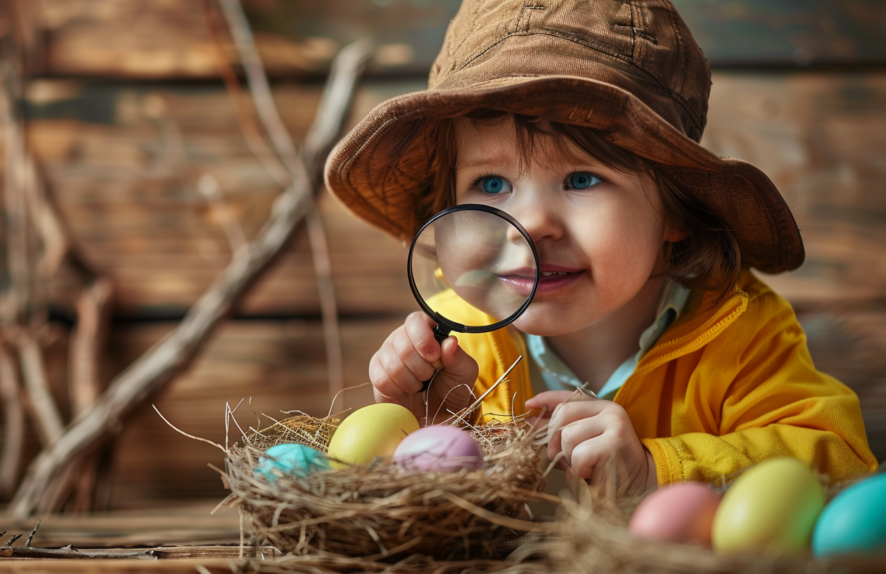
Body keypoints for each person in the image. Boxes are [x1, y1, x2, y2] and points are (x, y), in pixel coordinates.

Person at [323, 0, 878, 496]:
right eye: (491, 185)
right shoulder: (455, 342)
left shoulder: (741, 333)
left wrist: (657, 468)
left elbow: (843, 460)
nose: (532, 225)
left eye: (581, 179)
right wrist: (431, 426)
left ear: (675, 212)